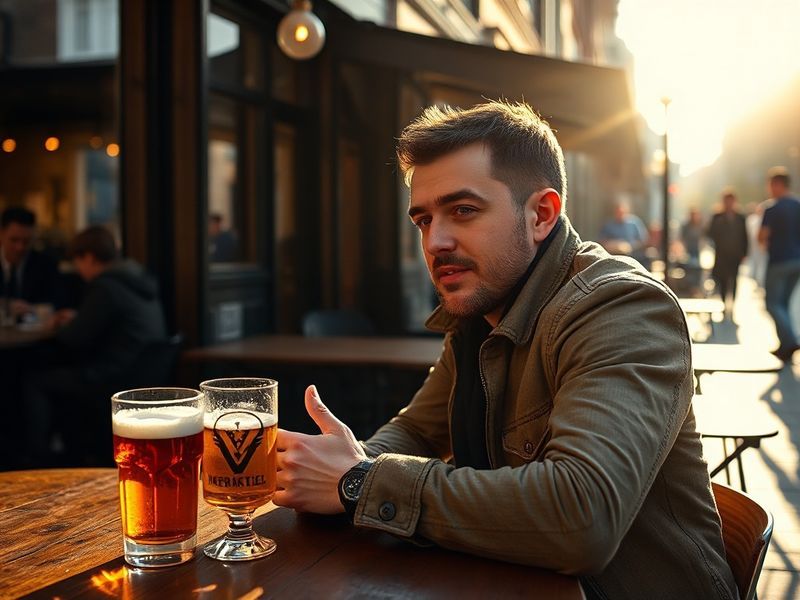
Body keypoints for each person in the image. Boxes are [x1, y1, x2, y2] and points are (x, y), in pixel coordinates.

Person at [274, 102, 736, 599]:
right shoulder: (481, 311)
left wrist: (360, 483)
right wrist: (345, 467)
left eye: (463, 211)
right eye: (424, 220)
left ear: (541, 214)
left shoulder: (621, 307)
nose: (436, 241)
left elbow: (581, 517)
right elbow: (416, 430)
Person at [22, 225, 167, 465]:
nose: (78, 269)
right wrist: (79, 317)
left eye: (78, 261)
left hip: (112, 380)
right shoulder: (136, 279)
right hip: (139, 374)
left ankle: (37, 460)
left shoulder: (106, 286)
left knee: (34, 380)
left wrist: (58, 324)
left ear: (88, 257)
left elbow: (74, 339)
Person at [759, 167, 800, 361]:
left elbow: (762, 237)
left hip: (779, 261)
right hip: (797, 261)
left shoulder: (772, 208)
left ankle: (790, 341)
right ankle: (785, 345)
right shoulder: (798, 205)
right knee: (783, 303)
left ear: (777, 185)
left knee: (773, 303)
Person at [0, 206, 62, 319]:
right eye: (14, 240)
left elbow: (57, 303)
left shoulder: (46, 264)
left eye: (27, 241)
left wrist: (32, 309)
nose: (20, 247)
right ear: (1, 234)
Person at [707, 188, 748, 314]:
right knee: (723, 279)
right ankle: (724, 303)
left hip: (735, 254)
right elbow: (710, 233)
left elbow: (744, 236)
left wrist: (744, 253)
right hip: (722, 254)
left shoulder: (740, 217)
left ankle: (733, 304)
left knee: (734, 279)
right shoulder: (717, 217)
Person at [598, 201, 650, 268]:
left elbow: (643, 240)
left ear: (627, 212)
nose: (620, 215)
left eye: (622, 213)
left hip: (633, 255)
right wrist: (612, 245)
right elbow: (601, 240)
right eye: (618, 213)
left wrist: (629, 246)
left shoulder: (634, 223)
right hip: (613, 256)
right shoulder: (609, 225)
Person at [680, 206, 705, 296]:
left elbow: (703, 237)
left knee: (698, 269)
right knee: (690, 268)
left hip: (697, 250)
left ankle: (696, 287)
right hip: (689, 250)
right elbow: (682, 238)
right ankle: (691, 288)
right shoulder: (686, 226)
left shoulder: (699, 225)